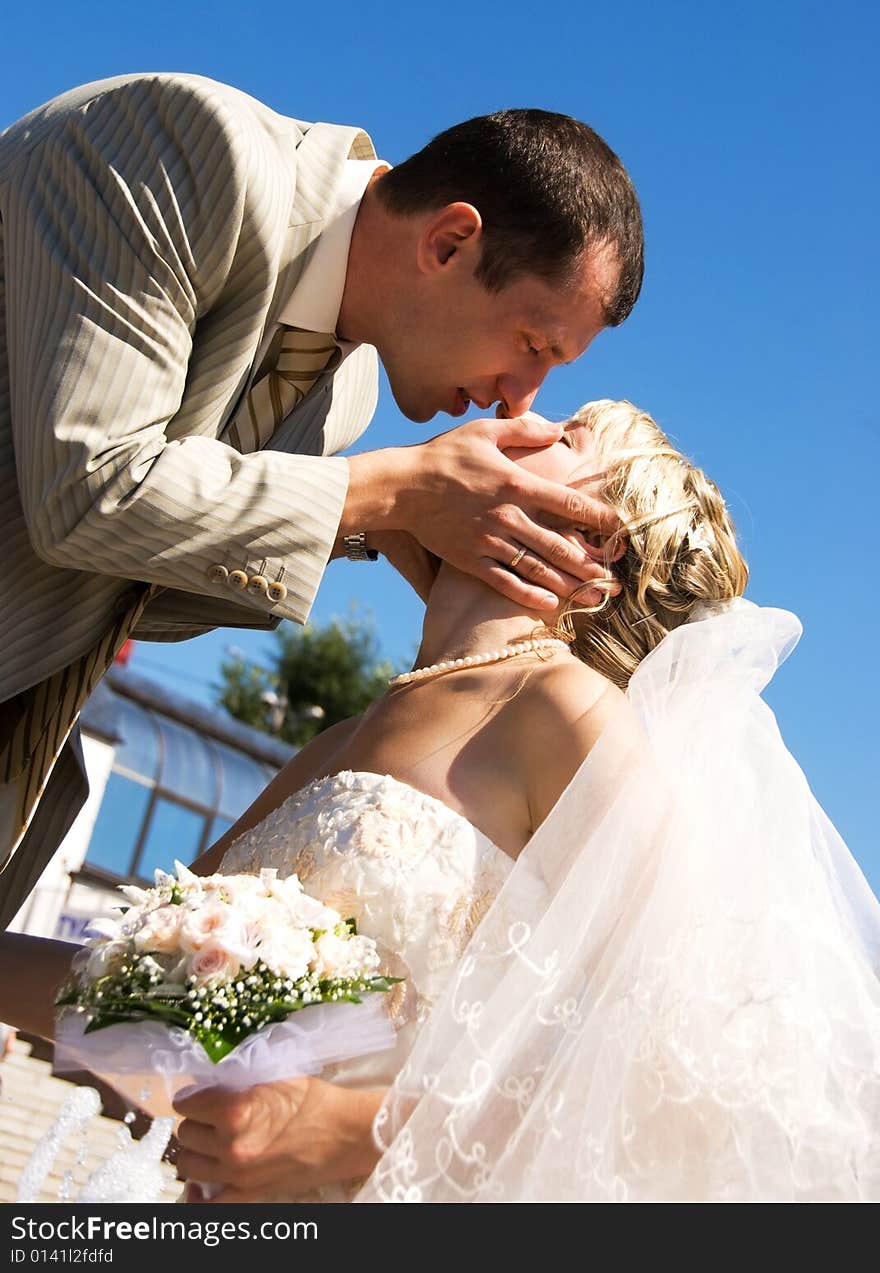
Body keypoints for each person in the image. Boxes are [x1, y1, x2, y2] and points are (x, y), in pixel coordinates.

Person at [3, 399, 877, 1203]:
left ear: (591, 547)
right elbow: (126, 995)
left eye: (565, 436)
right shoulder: (335, 743)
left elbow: (681, 1070)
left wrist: (354, 1135)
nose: (517, 415)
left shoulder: (565, 711)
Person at [0, 74, 644, 928]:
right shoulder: (184, 151)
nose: (519, 398)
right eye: (532, 343)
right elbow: (90, 491)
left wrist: (384, 523)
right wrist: (396, 489)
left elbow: (142, 595)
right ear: (451, 242)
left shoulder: (347, 398)